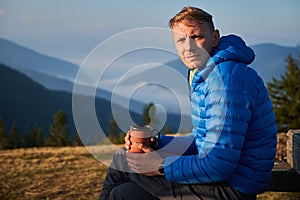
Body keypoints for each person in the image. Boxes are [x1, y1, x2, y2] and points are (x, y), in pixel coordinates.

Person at [99, 6, 277, 200]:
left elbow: (220, 164)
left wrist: (160, 166)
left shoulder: (226, 81)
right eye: (181, 40)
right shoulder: (206, 72)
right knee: (123, 194)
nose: (188, 47)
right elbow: (202, 140)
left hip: (233, 189)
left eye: (196, 37)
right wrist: (156, 142)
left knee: (122, 161)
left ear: (215, 37)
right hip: (222, 181)